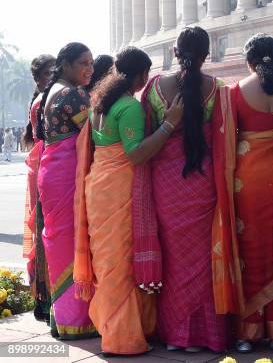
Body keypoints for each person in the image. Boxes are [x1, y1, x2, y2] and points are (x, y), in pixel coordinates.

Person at [72, 47, 183, 355]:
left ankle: (115, 331)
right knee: (120, 266)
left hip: (99, 186)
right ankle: (121, 339)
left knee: (110, 265)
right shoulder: (129, 107)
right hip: (119, 189)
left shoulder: (100, 103)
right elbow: (135, 154)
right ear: (140, 75)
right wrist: (169, 124)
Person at [135, 27, 229, 352]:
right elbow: (223, 138)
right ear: (206, 54)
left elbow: (145, 136)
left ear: (175, 52)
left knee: (174, 259)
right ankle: (205, 335)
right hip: (203, 181)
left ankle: (176, 336)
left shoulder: (155, 87)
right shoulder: (217, 88)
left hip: (166, 185)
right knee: (203, 256)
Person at [213, 34, 273, 353]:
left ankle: (247, 335)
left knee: (248, 252)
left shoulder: (234, 92)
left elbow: (224, 140)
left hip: (245, 179)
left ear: (249, 61)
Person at [35, 43, 97, 339]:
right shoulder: (74, 94)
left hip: (53, 172)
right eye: (84, 63)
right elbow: (97, 136)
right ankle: (77, 320)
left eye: (92, 63)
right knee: (72, 241)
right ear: (67, 64)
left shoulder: (53, 90)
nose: (89, 69)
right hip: (65, 175)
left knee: (61, 243)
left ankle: (63, 319)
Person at [22, 53, 55, 322]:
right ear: (37, 78)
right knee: (43, 231)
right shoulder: (42, 103)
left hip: (44, 168)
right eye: (47, 73)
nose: (52, 77)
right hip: (44, 170)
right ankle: (43, 299)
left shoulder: (49, 98)